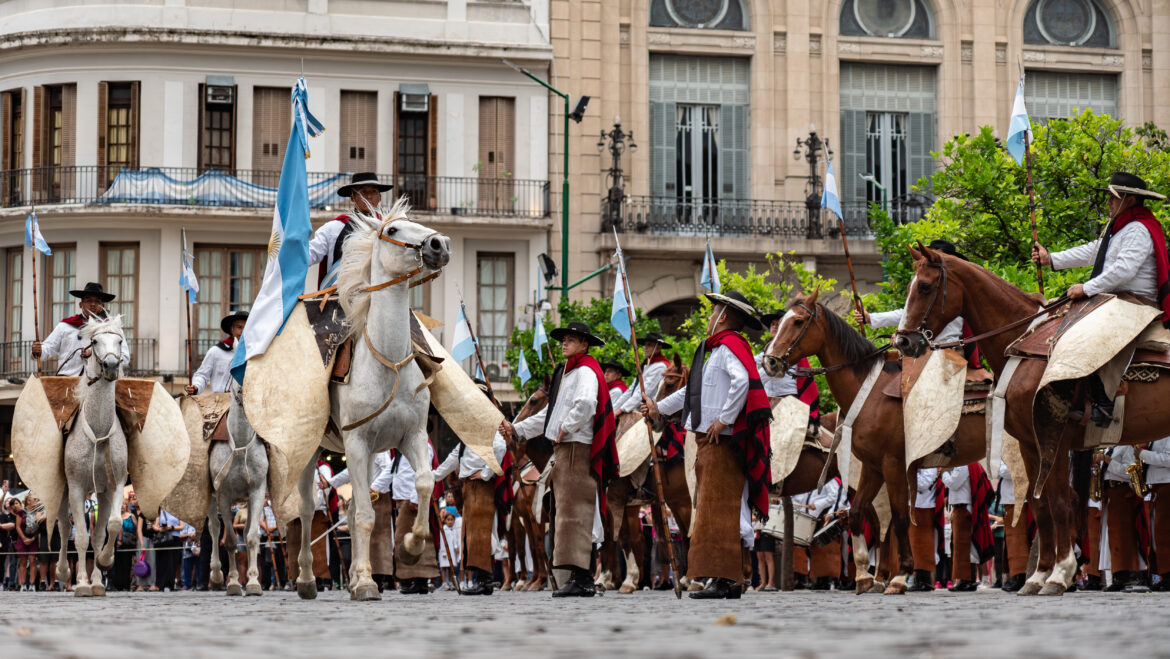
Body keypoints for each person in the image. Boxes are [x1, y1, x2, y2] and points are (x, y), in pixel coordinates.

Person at [643, 291, 773, 600]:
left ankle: (724, 578)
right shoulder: (716, 350)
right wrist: (658, 408)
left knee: (719, 511)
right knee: (715, 510)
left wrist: (724, 420)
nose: (709, 316)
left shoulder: (730, 346)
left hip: (723, 440)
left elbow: (742, 382)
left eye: (713, 311)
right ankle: (726, 579)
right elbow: (693, 393)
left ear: (724, 316)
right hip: (709, 441)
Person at [1032, 172, 1170, 426]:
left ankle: (1103, 403)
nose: (1108, 202)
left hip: (1136, 303)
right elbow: (1092, 252)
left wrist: (1086, 288)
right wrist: (1051, 259)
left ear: (1128, 200)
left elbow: (1123, 271)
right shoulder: (1120, 228)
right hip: (1115, 298)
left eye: (1112, 197)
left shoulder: (1138, 229)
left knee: (1095, 333)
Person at [504, 321, 619, 598]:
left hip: (578, 448)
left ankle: (584, 579)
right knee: (567, 517)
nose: (565, 342)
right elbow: (549, 417)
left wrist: (566, 426)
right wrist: (517, 429)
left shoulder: (587, 371)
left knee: (579, 515)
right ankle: (577, 577)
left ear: (584, 344)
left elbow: (587, 405)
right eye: (564, 338)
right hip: (565, 450)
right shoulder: (568, 374)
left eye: (571, 339)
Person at [433, 380, 511, 596]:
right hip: (468, 486)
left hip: (481, 485)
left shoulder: (488, 423)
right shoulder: (472, 428)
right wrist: (434, 476)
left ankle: (485, 581)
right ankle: (481, 579)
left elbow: (500, 445)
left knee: (480, 534)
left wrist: (486, 472)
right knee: (471, 534)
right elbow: (455, 456)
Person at [309, 172, 393, 287]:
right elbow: (309, 255)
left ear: (379, 197)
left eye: (373, 192)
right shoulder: (333, 228)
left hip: (378, 297)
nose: (369, 196)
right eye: (363, 192)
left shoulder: (389, 229)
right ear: (352, 197)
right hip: (339, 297)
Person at [328, 450, 396, 590]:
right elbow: (353, 470)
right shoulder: (365, 452)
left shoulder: (381, 450)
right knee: (366, 538)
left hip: (378, 496)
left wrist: (374, 487)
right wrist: (332, 482)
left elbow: (389, 468)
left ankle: (381, 577)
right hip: (366, 494)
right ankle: (366, 574)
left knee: (378, 540)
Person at [32, 282, 130, 376]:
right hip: (68, 380)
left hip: (99, 385)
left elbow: (125, 358)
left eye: (97, 301)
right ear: (81, 304)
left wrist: (94, 355)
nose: (93, 304)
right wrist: (38, 350)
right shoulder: (65, 326)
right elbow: (48, 349)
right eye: (88, 300)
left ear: (102, 305)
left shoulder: (112, 329)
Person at [390, 440, 441, 595]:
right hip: (403, 500)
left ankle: (420, 580)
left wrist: (415, 497)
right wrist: (374, 488)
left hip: (413, 500)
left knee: (416, 539)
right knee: (403, 540)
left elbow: (424, 471)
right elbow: (391, 471)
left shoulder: (422, 445)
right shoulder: (403, 447)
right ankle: (410, 579)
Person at [1098, 446, 1151, 592]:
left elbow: (1130, 472)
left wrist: (1109, 462)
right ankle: (1117, 574)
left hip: (1121, 492)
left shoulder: (1126, 447)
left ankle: (1127, 574)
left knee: (1122, 536)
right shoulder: (1110, 449)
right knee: (1111, 537)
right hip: (1109, 494)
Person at [185, 311, 248, 395]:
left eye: (246, 327)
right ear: (232, 329)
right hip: (218, 402)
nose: (243, 331)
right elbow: (202, 375)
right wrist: (195, 387)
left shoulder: (254, 354)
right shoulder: (215, 352)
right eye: (239, 327)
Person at [611, 332, 672, 416]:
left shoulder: (660, 366)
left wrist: (620, 410)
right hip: (634, 410)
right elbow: (631, 390)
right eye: (645, 345)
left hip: (647, 413)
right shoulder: (647, 365)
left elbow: (643, 393)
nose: (645, 348)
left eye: (649, 345)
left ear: (658, 347)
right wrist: (612, 411)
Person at [1137, 438, 1170, 590]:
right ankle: (1163, 574)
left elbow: (1168, 459)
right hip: (1157, 486)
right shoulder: (1156, 438)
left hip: (1166, 484)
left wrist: (1142, 454)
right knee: (1157, 535)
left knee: (1164, 533)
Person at [998, 460, 1030, 593]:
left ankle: (1020, 576)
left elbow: (1004, 471)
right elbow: (1000, 469)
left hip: (1017, 499)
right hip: (1008, 500)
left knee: (1018, 542)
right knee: (1011, 543)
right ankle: (1014, 575)